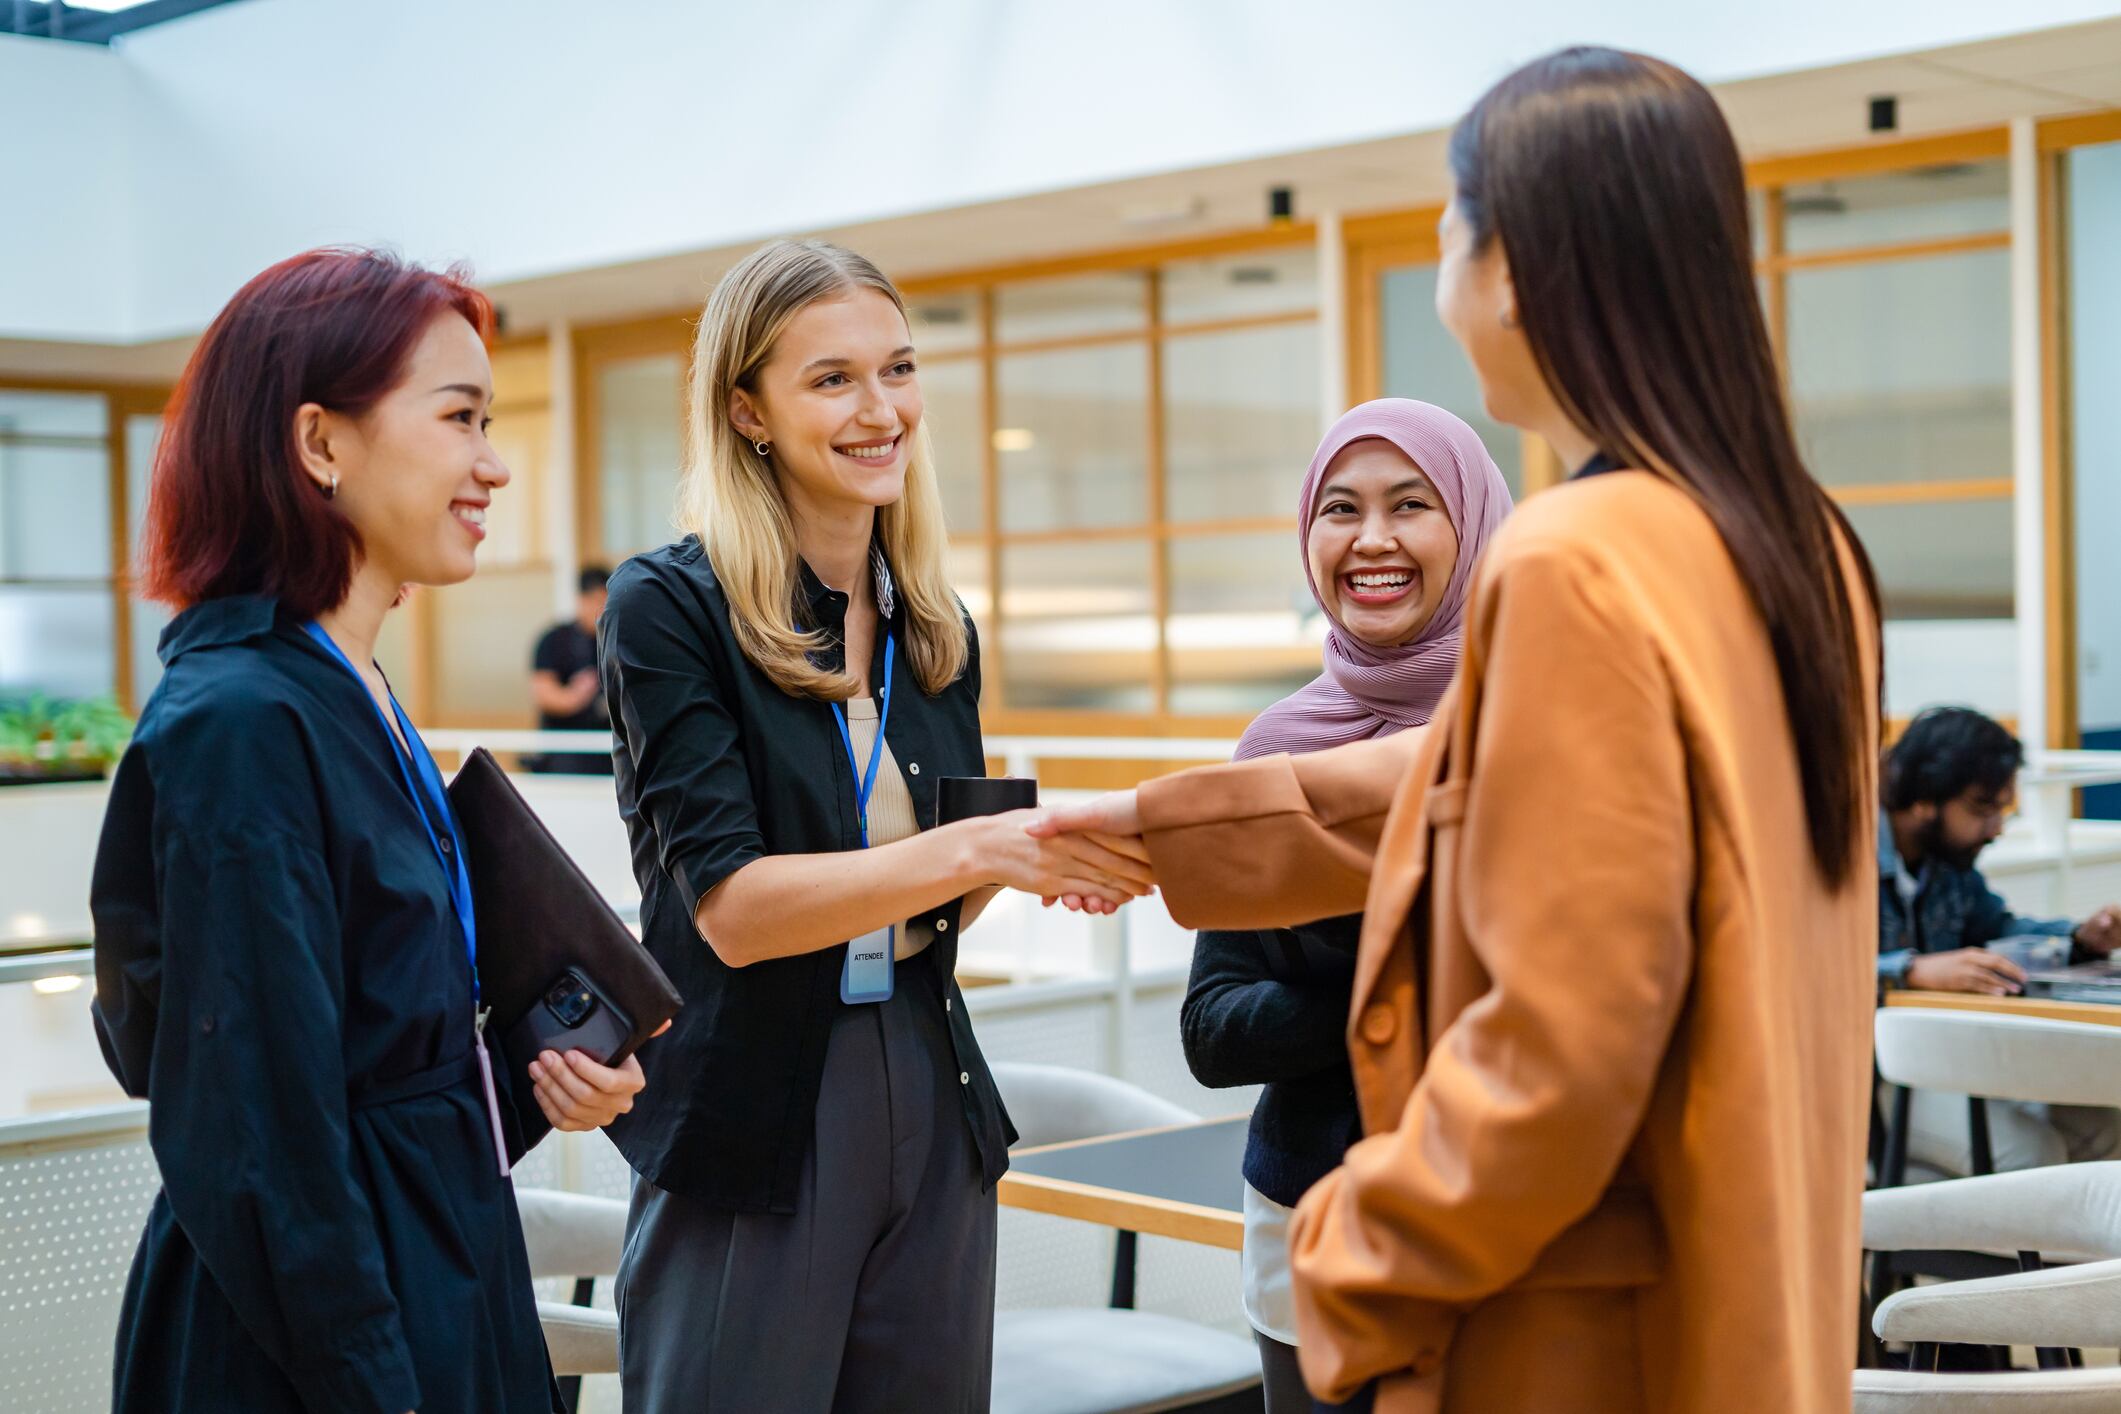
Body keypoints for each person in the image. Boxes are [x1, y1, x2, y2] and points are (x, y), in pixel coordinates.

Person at [1035, 46, 1883, 1414]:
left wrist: (1361, 1251)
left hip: (1576, 1312)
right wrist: (1155, 827)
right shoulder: (1794, 539)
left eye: (1449, 227)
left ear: (1514, 268)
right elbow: (1469, 788)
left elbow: (1563, 1030)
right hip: (1749, 1257)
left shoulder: (1572, 559)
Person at [90, 248, 649, 1414]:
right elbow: (262, 1137)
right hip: (312, 1350)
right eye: (460, 417)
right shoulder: (242, 721)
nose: (494, 464)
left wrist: (534, 1078)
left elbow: (384, 1073)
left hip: (430, 1287)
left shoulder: (355, 695)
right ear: (321, 446)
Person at [598, 238, 1152, 1414]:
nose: (879, 408)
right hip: (761, 1094)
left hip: (925, 1067)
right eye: (832, 378)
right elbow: (737, 913)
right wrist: (972, 848)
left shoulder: (935, 624)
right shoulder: (670, 607)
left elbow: (937, 885)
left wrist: (1040, 860)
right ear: (747, 411)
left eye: (896, 370)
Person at [1179, 399, 1510, 1414]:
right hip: (1309, 1210)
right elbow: (1212, 1031)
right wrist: (1396, 999)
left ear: (1475, 524)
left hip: (1514, 1212)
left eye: (1410, 504)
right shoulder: (1278, 747)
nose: (1371, 539)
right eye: (1340, 508)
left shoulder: (1535, 722)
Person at [1880, 705, 2121, 1171]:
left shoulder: (1948, 865)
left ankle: (2070, 1248)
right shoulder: (1845, 862)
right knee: (2033, 1154)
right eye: (1981, 809)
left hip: (1955, 1053)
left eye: (2001, 811)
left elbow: (2000, 928)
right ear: (1925, 798)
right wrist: (1912, 971)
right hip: (1876, 1075)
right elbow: (1807, 971)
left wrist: (2081, 939)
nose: (1995, 830)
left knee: (2105, 1130)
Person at [528, 564, 614, 773]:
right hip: (564, 755)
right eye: (595, 600)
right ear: (580, 600)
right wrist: (576, 695)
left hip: (610, 755)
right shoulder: (555, 639)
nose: (601, 607)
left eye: (607, 601)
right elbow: (544, 694)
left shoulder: (617, 640)